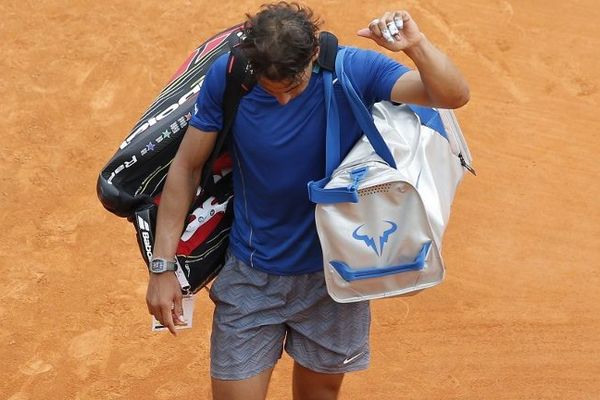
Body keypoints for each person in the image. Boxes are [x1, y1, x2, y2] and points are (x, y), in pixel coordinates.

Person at [146, 2, 469, 399]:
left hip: (335, 279)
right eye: (271, 90)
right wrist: (162, 268)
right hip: (251, 276)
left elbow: (453, 95)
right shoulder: (231, 78)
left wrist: (415, 45)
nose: (283, 100)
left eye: (293, 88)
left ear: (313, 55)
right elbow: (186, 169)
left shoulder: (354, 69)